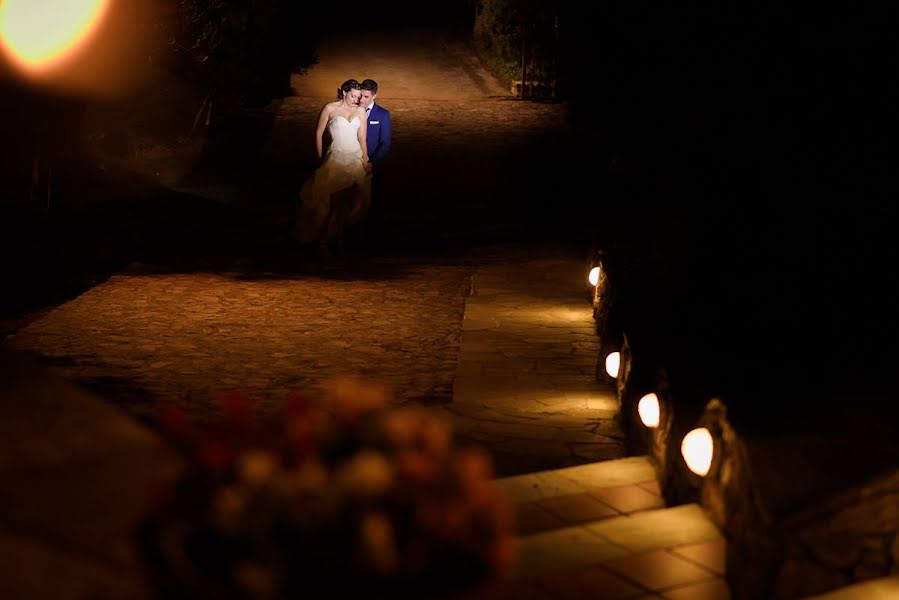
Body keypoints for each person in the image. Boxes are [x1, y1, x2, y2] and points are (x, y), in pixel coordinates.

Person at [297, 79, 372, 253]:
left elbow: (362, 137)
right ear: (344, 92)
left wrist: (365, 159)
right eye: (353, 96)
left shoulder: (360, 111)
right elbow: (319, 132)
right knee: (330, 202)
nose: (356, 99)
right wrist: (319, 156)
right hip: (336, 157)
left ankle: (340, 239)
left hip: (354, 158)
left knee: (348, 203)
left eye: (358, 96)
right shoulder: (330, 108)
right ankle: (322, 238)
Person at [358, 79, 391, 240]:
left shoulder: (383, 114)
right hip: (351, 161)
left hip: (374, 166)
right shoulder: (353, 109)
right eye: (361, 95)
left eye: (365, 96)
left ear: (374, 95)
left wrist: (371, 163)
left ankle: (373, 236)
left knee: (373, 201)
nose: (361, 100)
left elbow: (385, 143)